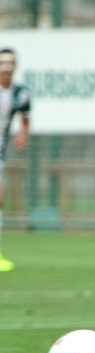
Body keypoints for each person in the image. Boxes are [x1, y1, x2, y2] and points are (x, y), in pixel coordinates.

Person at [0, 48, 31, 272]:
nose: (6, 68)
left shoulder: (20, 93)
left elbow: (25, 118)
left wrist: (23, 134)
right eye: (3, 63)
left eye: (10, 64)